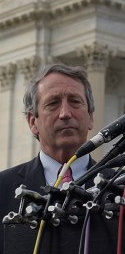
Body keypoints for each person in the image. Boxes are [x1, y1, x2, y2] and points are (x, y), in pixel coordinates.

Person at [0, 63, 95, 253]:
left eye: (75, 101)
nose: (65, 113)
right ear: (32, 122)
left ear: (90, 117)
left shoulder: (121, 187)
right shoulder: (3, 189)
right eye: (53, 103)